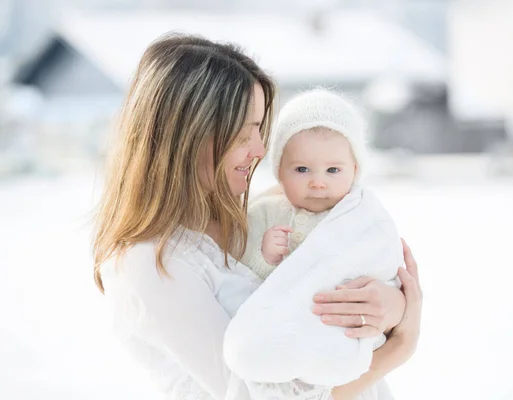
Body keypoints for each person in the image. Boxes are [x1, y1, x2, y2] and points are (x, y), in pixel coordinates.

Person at [92, 33, 423, 400]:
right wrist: (398, 348)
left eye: (260, 128)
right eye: (245, 131)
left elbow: (326, 283)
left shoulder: (263, 215)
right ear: (189, 132)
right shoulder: (151, 263)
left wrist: (391, 307)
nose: (262, 149)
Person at [225, 89, 402, 394]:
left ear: (355, 171)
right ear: (280, 171)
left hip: (347, 334)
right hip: (289, 334)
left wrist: (394, 298)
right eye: (302, 169)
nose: (318, 181)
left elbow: (384, 264)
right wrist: (264, 255)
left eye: (333, 170)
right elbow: (242, 276)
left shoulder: (361, 216)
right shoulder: (266, 214)